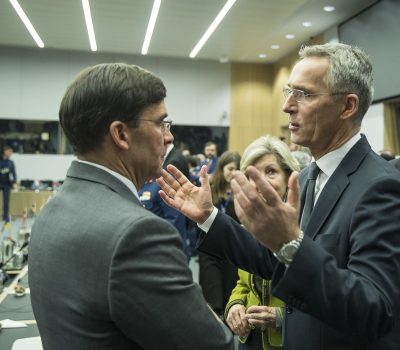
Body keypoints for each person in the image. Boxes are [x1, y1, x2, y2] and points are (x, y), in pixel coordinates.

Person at [158, 43, 400, 349]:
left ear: (348, 106)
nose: (287, 105)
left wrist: (291, 245)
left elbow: (374, 309)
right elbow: (276, 263)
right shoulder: (311, 175)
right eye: (289, 92)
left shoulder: (381, 186)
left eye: (305, 94)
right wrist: (209, 217)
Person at [28, 63, 233, 350]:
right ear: (121, 134)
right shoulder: (138, 234)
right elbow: (215, 345)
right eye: (161, 123)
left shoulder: (52, 210)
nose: (169, 136)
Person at [225, 135, 299, 350]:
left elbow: (320, 294)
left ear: (288, 177)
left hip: (287, 341)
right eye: (252, 174)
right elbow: (242, 283)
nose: (261, 181)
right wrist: (235, 305)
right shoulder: (247, 225)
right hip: (250, 339)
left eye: (271, 172)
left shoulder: (302, 226)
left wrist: (282, 317)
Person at [198, 150, 241, 318]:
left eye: (237, 169)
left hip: (233, 253)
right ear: (222, 168)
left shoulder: (242, 192)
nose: (233, 173)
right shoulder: (210, 189)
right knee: (213, 300)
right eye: (230, 168)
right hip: (210, 251)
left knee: (230, 299)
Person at [0, 146, 17, 221]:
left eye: (11, 152)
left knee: (6, 202)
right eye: (9, 151)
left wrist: (14, 182)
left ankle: (5, 216)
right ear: (5, 151)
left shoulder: (11, 163)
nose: (11, 153)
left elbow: (14, 174)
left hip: (7, 184)